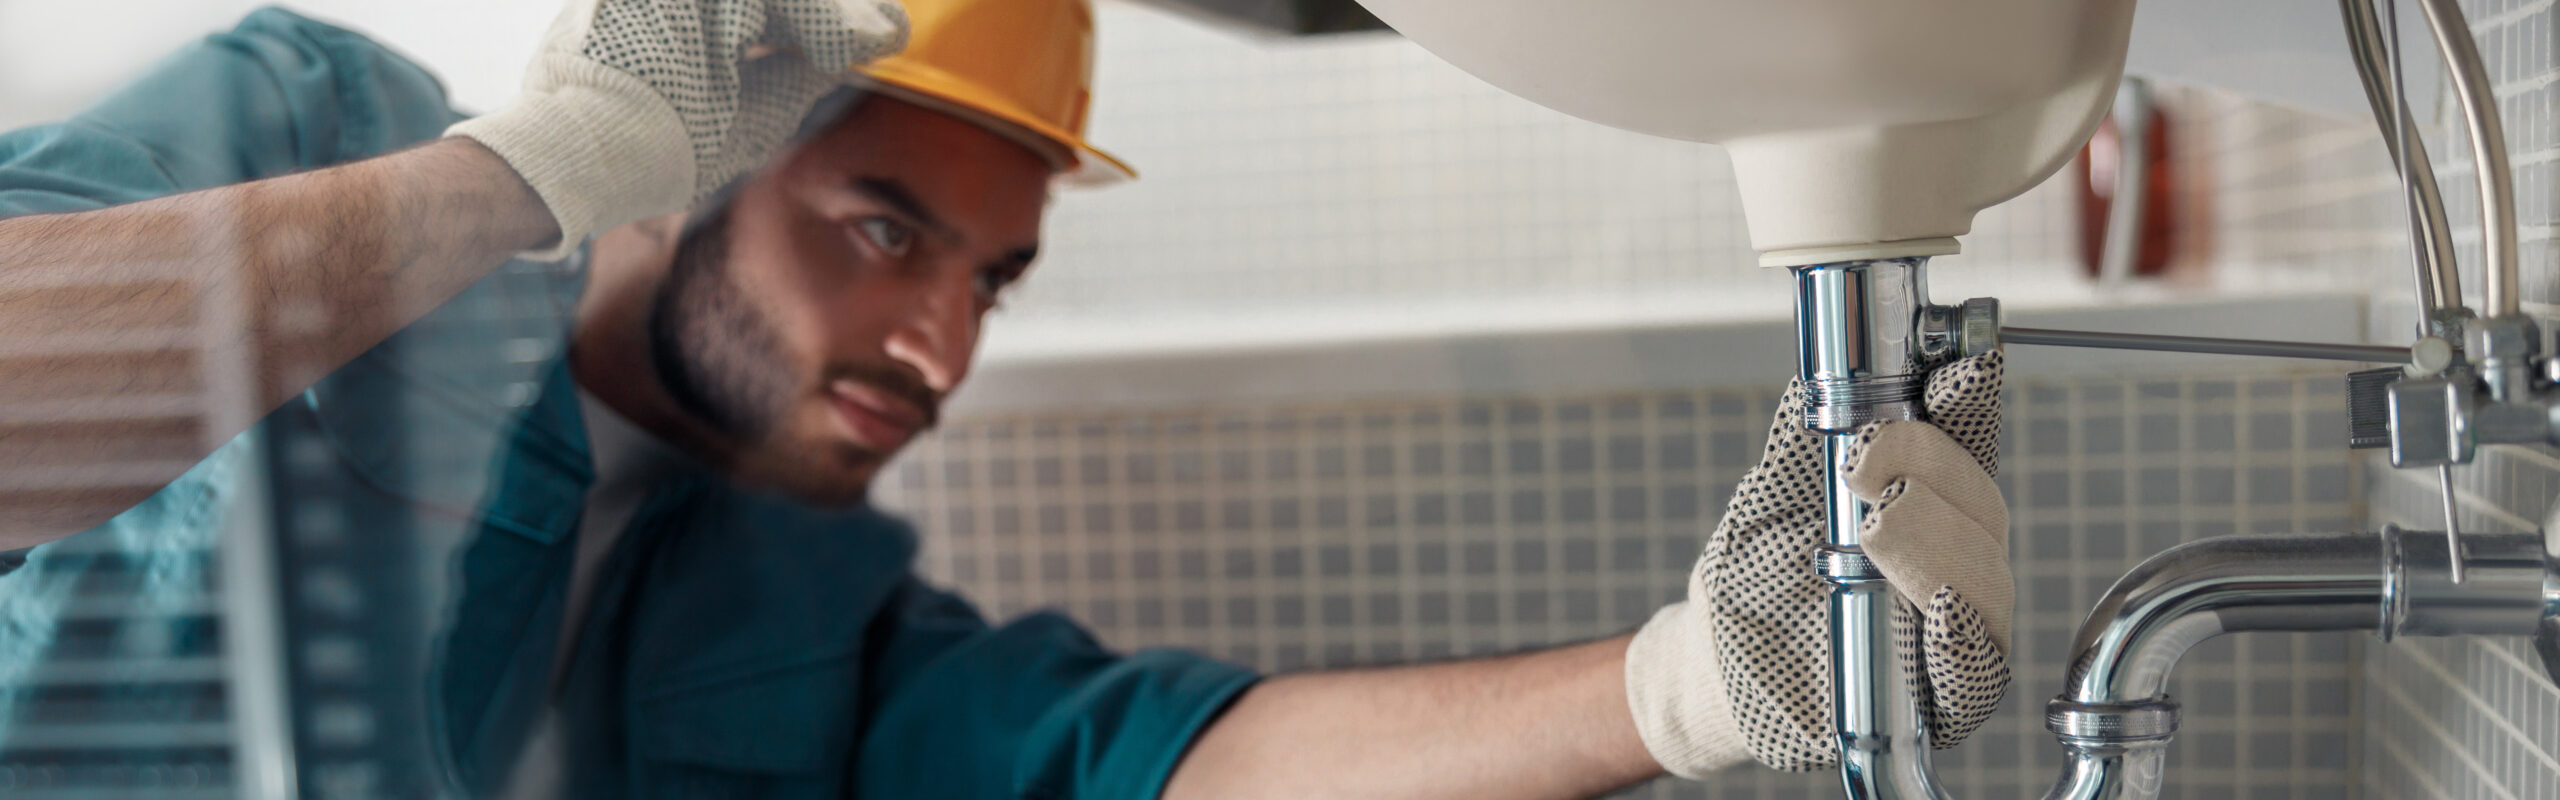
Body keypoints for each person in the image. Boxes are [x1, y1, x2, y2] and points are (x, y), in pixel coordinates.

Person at [0, 0, 2016, 797]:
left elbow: (1171, 768)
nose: (941, 350)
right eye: (884, 230)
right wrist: (535, 171)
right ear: (698, 138)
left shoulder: (797, 616)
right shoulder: (313, 138)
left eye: (988, 279)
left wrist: (1686, 684)